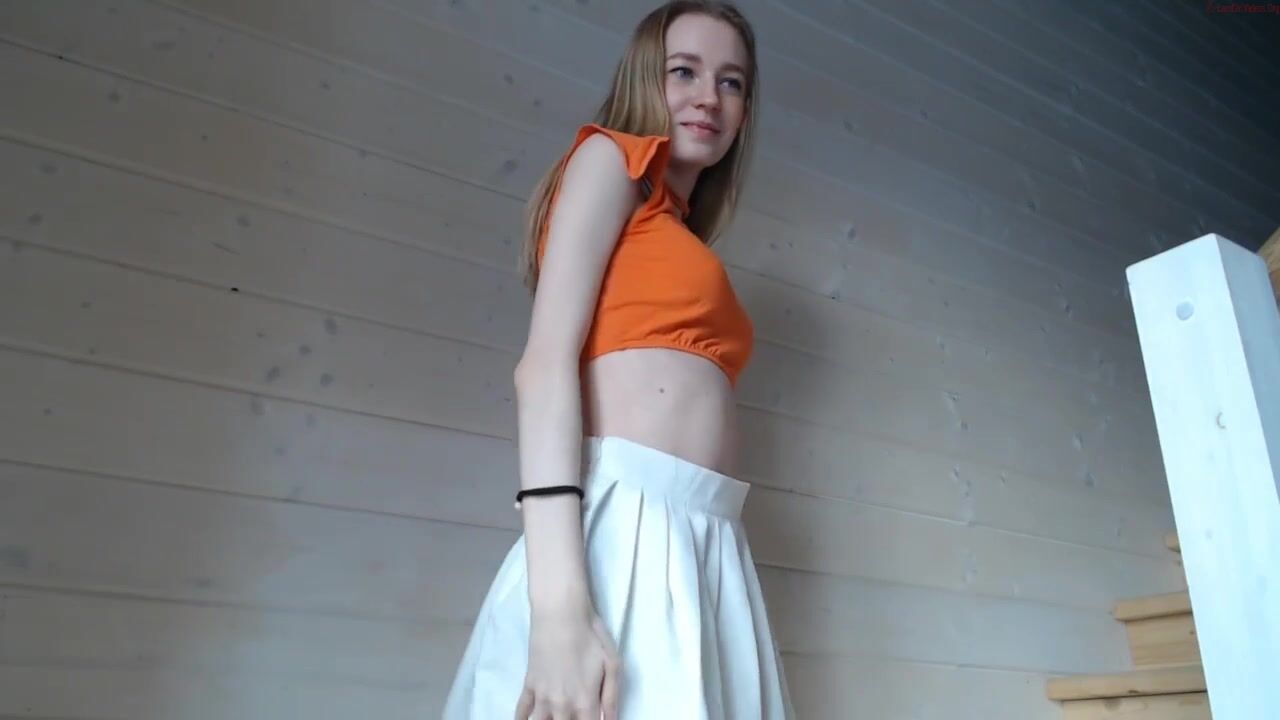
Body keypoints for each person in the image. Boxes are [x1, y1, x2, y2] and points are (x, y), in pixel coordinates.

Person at [443, 2, 794, 718]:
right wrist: (558, 611)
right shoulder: (610, 160)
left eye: (731, 82)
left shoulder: (675, 230)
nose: (709, 96)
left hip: (707, 537)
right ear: (643, 78)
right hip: (628, 527)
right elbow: (543, 367)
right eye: (684, 71)